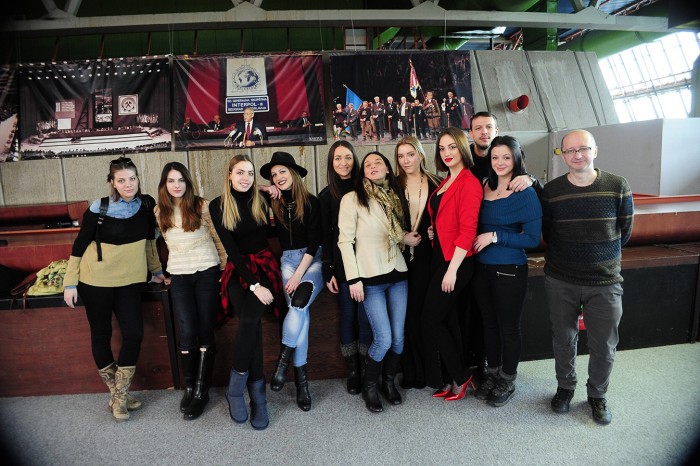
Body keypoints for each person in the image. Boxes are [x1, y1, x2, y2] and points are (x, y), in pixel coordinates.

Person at [63, 156, 165, 422]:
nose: (128, 184)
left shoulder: (147, 205)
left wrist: (156, 272)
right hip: (95, 280)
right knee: (102, 333)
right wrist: (69, 282)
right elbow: (79, 245)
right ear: (112, 183)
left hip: (130, 280)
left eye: (132, 178)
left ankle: (119, 396)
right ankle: (119, 395)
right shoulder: (100, 207)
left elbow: (149, 242)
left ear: (138, 179)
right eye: (121, 180)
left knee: (134, 333)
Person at [542, 129, 634, 425]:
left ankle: (597, 394)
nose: (577, 155)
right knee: (563, 338)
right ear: (563, 155)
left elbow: (625, 231)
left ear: (595, 150)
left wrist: (600, 257)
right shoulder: (552, 191)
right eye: (570, 150)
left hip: (605, 282)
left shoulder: (618, 186)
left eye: (583, 148)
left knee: (604, 345)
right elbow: (548, 232)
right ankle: (565, 388)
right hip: (561, 279)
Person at [210, 154, 283, 431]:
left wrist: (268, 187)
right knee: (250, 322)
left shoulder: (261, 199)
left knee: (251, 321)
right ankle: (255, 396)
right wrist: (254, 284)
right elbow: (232, 252)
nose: (245, 178)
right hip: (239, 272)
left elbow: (288, 195)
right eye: (240, 173)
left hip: (266, 266)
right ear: (229, 174)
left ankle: (242, 391)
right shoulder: (218, 206)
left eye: (250, 174)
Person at [471, 136, 542, 407]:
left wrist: (495, 236)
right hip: (481, 269)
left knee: (508, 328)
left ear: (516, 159)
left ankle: (508, 379)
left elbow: (532, 239)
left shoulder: (525, 192)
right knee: (488, 325)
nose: (500, 162)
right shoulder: (483, 186)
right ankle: (492, 374)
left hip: (509, 269)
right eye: (495, 157)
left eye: (506, 157)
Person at [338, 151, 409, 413]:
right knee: (384, 338)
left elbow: (396, 232)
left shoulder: (396, 197)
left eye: (378, 162)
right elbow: (344, 241)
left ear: (388, 169)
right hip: (368, 278)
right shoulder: (352, 199)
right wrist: (353, 279)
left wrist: (407, 238)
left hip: (398, 273)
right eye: (367, 164)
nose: (372, 166)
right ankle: (370, 387)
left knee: (399, 338)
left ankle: (388, 382)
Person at [155, 162, 227, 420]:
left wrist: (223, 269)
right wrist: (159, 271)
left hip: (207, 271)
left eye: (181, 180)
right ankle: (189, 386)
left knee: (206, 328)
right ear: (164, 184)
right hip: (179, 275)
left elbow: (218, 238)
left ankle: (201, 390)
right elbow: (162, 243)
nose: (176, 185)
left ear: (187, 182)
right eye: (171, 181)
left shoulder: (201, 205)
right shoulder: (159, 210)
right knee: (187, 331)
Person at [260, 152, 324, 412]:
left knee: (298, 302)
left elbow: (314, 241)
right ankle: (302, 384)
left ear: (294, 173)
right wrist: (264, 189)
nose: (278, 177)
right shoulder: (273, 202)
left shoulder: (311, 202)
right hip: (287, 260)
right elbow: (244, 194)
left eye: (282, 172)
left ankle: (282, 363)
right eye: (274, 175)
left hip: (312, 261)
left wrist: (299, 275)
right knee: (301, 315)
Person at [422, 127, 482, 401]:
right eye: (442, 148)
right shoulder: (445, 181)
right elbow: (446, 218)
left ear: (462, 148)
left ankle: (461, 375)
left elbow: (468, 230)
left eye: (451, 147)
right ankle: (450, 379)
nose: (446, 153)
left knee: (430, 319)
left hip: (456, 262)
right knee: (448, 320)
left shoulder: (469, 182)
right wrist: (435, 230)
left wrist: (452, 270)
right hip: (440, 256)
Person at [318, 141, 372, 395]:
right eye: (337, 158)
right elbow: (326, 237)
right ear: (331, 162)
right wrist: (327, 269)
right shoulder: (326, 195)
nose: (343, 163)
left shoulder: (367, 187)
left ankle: (366, 364)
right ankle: (353, 370)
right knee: (348, 315)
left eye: (348, 157)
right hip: (342, 263)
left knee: (366, 315)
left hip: (369, 261)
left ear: (355, 160)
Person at [394, 136, 441, 389]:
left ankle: (427, 370)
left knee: (423, 314)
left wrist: (437, 231)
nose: (406, 160)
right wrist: (402, 237)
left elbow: (447, 216)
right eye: (401, 156)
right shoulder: (392, 184)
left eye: (410, 154)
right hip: (399, 257)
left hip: (426, 257)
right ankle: (409, 369)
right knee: (407, 315)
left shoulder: (437, 183)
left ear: (420, 155)